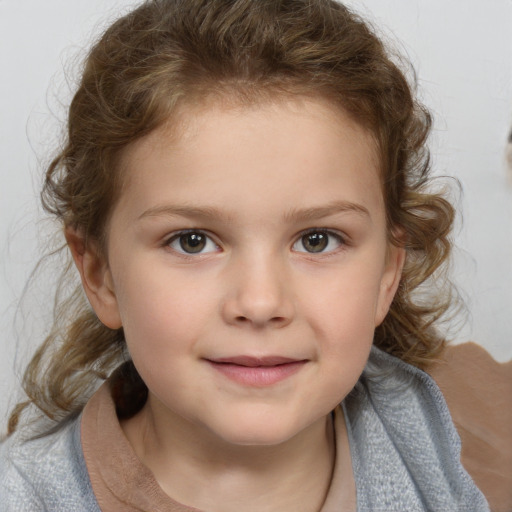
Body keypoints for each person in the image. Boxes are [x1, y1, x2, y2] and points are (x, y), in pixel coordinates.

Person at [0, 0, 490, 510]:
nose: (259, 303)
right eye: (192, 241)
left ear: (388, 273)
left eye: (317, 239)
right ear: (99, 273)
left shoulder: (455, 439)